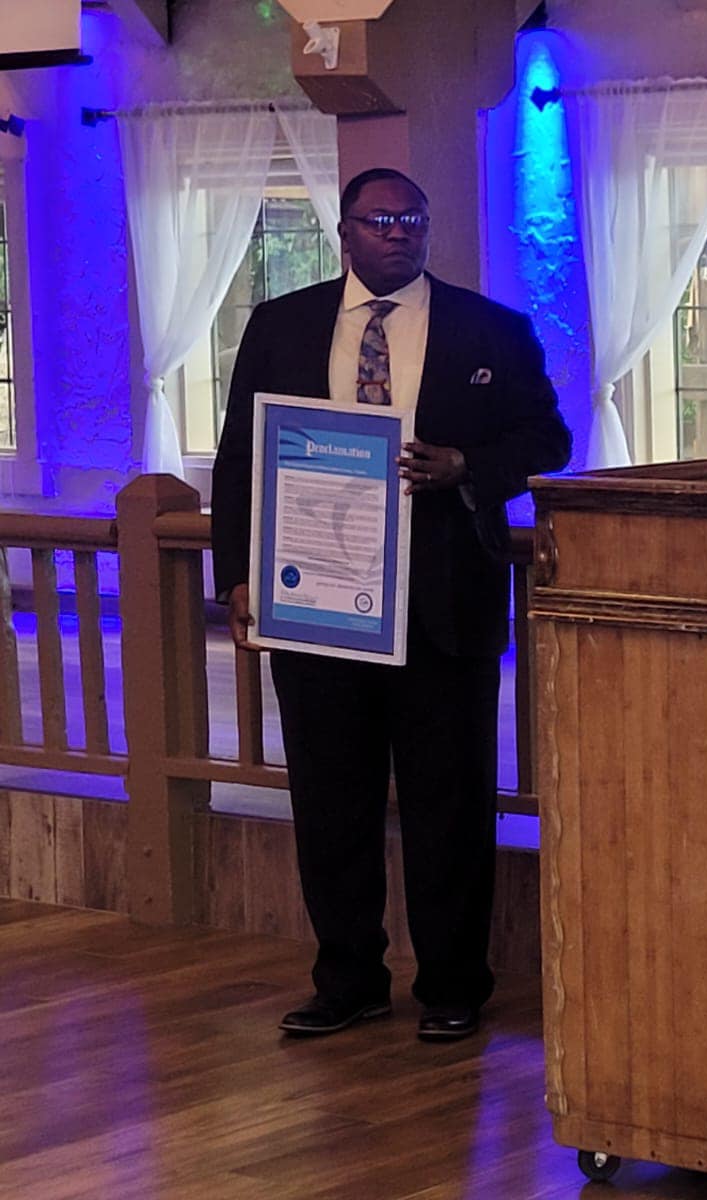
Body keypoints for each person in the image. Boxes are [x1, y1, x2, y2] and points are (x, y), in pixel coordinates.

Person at [211, 167, 572, 1041]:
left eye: (412, 219)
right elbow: (240, 457)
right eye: (379, 220)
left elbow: (547, 437)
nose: (398, 233)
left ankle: (452, 986)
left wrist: (468, 467)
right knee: (331, 801)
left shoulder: (492, 329)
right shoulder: (280, 325)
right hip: (316, 600)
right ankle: (347, 980)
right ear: (344, 232)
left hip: (444, 603)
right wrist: (237, 574)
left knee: (449, 804)